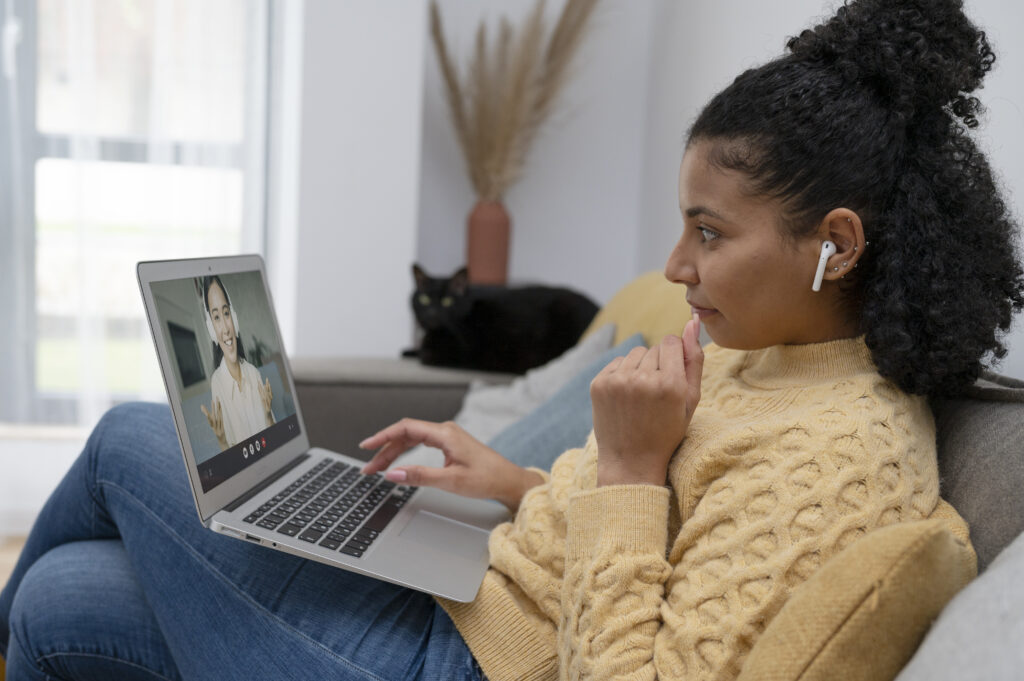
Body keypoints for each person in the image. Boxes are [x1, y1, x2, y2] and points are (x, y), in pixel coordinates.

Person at [2, 0, 1022, 679]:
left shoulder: (839, 457)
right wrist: (511, 484)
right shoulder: (764, 356)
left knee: (133, 438)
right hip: (473, 604)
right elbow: (674, 540)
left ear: (832, 247)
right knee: (54, 604)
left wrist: (624, 464)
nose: (675, 268)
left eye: (707, 233)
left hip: (467, 666)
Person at [199, 275, 275, 451]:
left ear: (234, 318)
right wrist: (221, 439)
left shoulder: (253, 372)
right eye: (217, 318)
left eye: (226, 314)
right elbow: (232, 460)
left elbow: (273, 442)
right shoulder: (217, 382)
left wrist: (268, 415)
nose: (225, 329)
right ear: (211, 329)